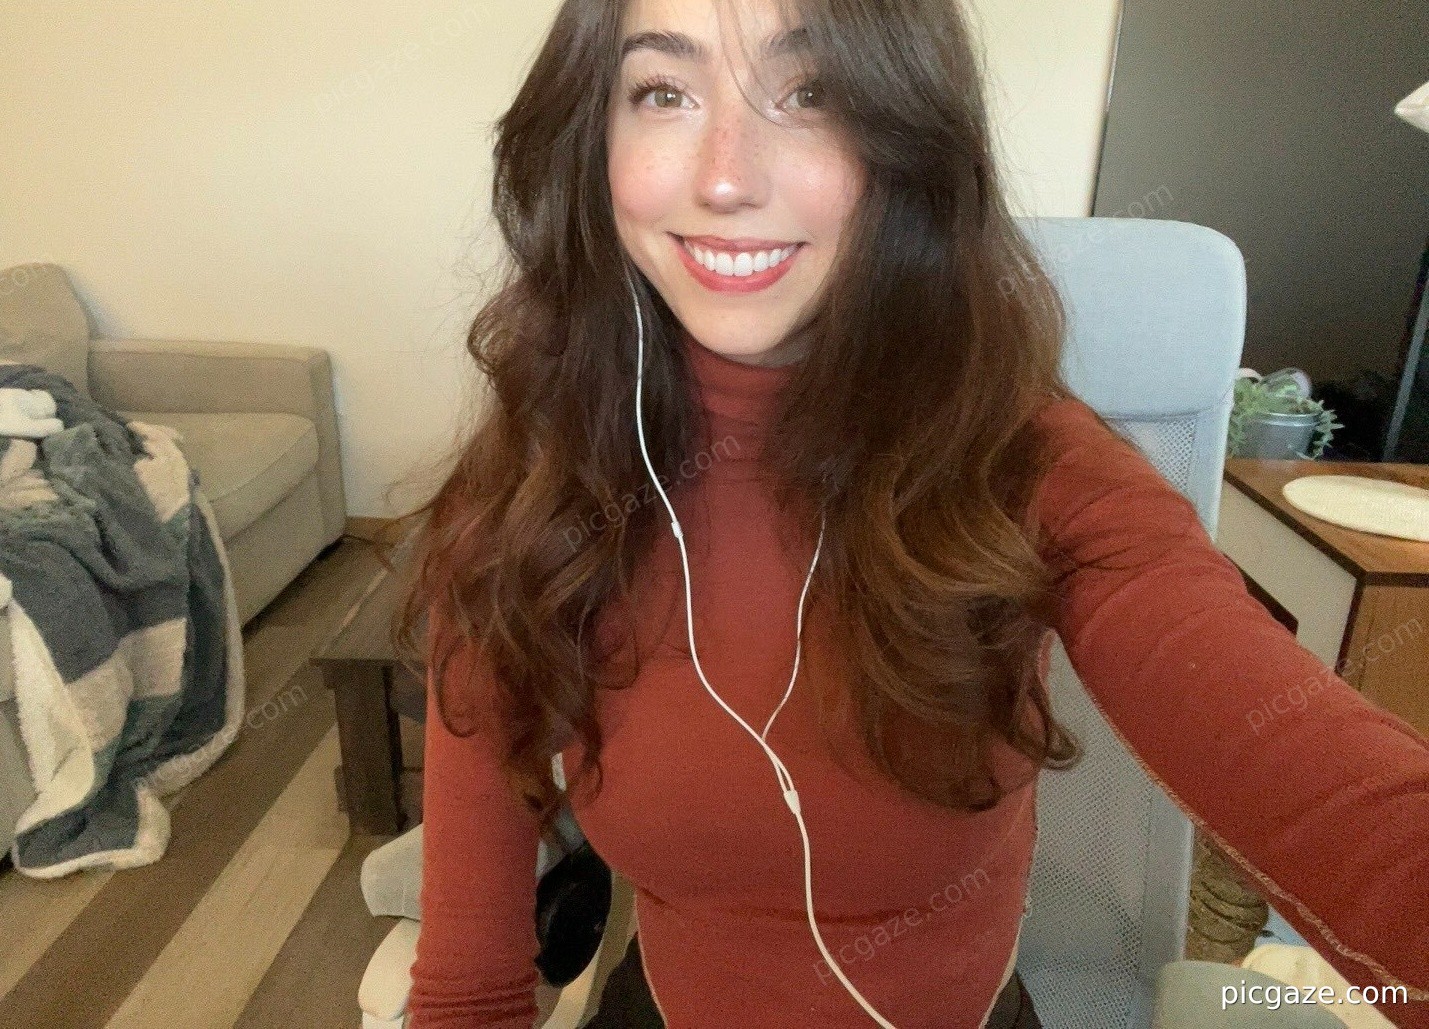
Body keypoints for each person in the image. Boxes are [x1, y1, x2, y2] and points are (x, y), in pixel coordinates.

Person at [391, 0, 1429, 1026]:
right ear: (593, 138)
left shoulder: (1030, 469)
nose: (723, 177)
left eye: (810, 92)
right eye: (663, 92)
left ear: (905, 142)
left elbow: (1348, 811)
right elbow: (467, 988)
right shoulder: (535, 492)